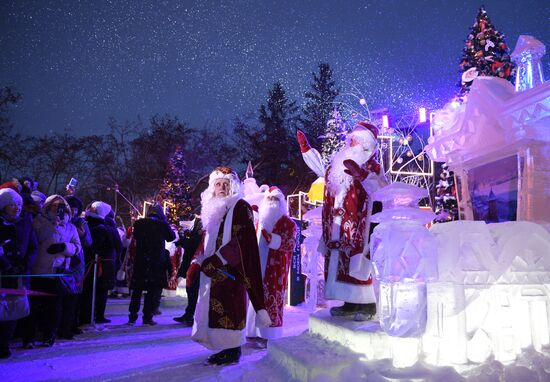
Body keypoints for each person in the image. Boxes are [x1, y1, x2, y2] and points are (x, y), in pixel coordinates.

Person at [298, 122, 387, 320]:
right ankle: (349, 303)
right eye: (350, 139)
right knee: (340, 264)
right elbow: (323, 170)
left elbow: (382, 191)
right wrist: (307, 151)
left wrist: (363, 175)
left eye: (354, 139)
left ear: (366, 143)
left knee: (359, 264)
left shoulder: (373, 166)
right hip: (337, 225)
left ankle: (368, 305)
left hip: (360, 225)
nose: (350, 142)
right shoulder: (337, 165)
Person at [191, 166, 271, 365]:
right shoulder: (212, 207)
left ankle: (232, 350)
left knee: (229, 309)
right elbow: (206, 239)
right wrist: (195, 262)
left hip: (229, 271)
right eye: (218, 184)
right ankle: (222, 348)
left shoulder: (240, 207)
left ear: (233, 186)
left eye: (226, 184)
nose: (221, 188)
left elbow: (242, 241)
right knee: (213, 310)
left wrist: (217, 260)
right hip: (210, 271)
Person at [246, 186, 297, 346]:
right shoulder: (260, 221)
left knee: (271, 300)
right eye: (269, 199)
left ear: (281, 202)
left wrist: (273, 239)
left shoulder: (288, 223)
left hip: (275, 269)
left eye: (275, 199)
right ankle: (253, 331)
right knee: (255, 298)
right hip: (257, 266)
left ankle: (269, 334)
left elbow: (290, 244)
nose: (272, 202)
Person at [28, 194, 81, 347]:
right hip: (40, 270)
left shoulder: (70, 226)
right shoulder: (39, 222)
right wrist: (52, 224)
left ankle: (49, 335)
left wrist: (64, 247)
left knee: (54, 307)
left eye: (61, 206)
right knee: (35, 305)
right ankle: (29, 336)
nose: (58, 209)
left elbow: (77, 247)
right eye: (55, 205)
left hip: (58, 272)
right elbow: (35, 239)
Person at [0, 188, 38, 358]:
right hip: (3, 273)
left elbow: (33, 247)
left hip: (19, 275)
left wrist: (25, 266)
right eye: (12, 205)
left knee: (13, 310)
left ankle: (4, 344)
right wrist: (6, 265)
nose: (17, 208)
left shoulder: (25, 223)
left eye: (19, 204)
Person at [128, 204, 176, 325]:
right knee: (152, 290)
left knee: (137, 290)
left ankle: (132, 316)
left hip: (141, 260)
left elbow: (136, 237)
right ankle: (147, 317)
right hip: (156, 262)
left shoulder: (139, 223)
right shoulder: (162, 224)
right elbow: (171, 237)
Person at [81, 201, 118, 324]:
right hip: (103, 263)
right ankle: (96, 315)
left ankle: (88, 314)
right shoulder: (106, 228)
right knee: (100, 291)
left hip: (96, 262)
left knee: (91, 290)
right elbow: (115, 244)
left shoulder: (88, 223)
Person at [173, 215, 202, 327]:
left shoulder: (201, 230)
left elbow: (194, 243)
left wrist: (183, 240)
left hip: (196, 264)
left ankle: (191, 315)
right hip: (191, 263)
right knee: (191, 291)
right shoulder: (196, 230)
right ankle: (189, 314)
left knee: (193, 291)